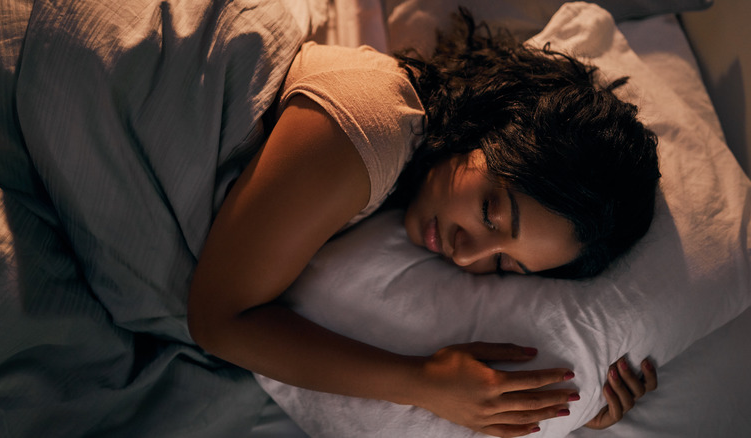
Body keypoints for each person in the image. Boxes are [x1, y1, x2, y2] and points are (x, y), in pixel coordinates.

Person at [188, 9, 660, 438]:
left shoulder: (406, 177)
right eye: (490, 212)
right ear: (489, 127)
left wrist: (581, 405)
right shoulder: (373, 125)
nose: (466, 252)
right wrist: (421, 382)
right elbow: (218, 322)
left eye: (502, 264)